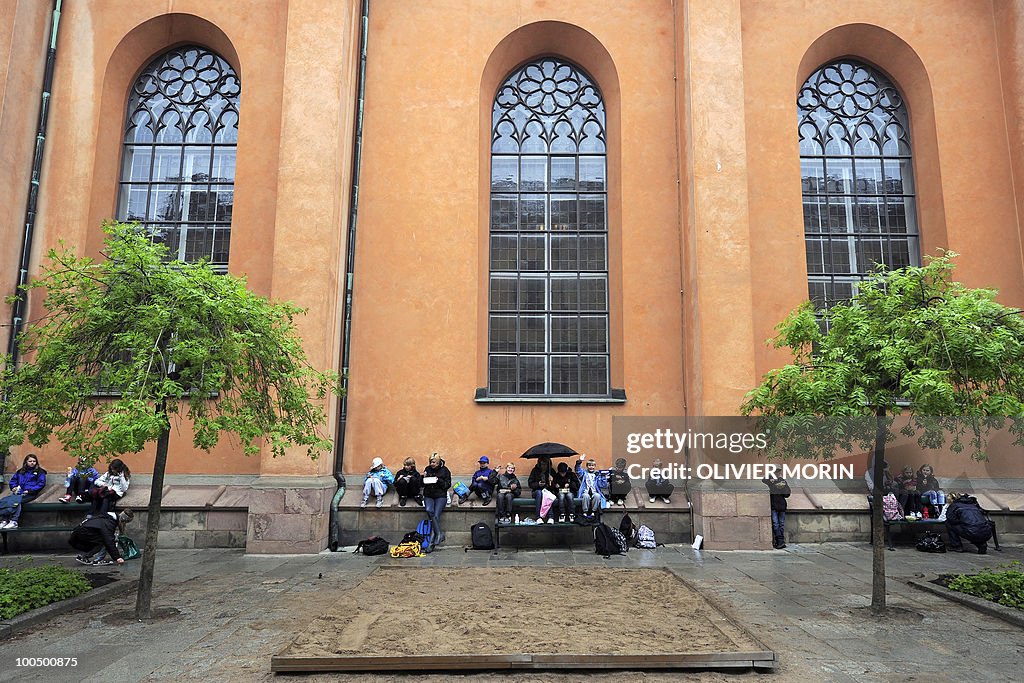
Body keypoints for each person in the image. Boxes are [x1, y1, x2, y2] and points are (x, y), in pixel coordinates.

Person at [0, 454, 47, 530]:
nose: (32, 463)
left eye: (34, 461)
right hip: (18, 492)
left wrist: (30, 490)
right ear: (26, 462)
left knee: (17, 501)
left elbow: (41, 483)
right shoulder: (21, 471)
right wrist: (13, 487)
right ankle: (4, 520)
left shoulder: (40, 472)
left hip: (30, 493)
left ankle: (14, 521)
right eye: (30, 461)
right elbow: (13, 481)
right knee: (7, 500)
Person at [421, 453, 451, 546]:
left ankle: (431, 543)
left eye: (433, 462)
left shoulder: (445, 470)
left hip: (440, 495)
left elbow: (447, 485)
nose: (432, 464)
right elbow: (421, 484)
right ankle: (439, 534)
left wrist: (438, 480)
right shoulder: (427, 469)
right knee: (429, 510)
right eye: (430, 462)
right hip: (429, 494)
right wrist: (423, 477)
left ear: (438, 462)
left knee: (436, 516)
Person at [763, 473, 791, 549]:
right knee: (776, 524)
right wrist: (770, 480)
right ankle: (780, 541)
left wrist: (783, 486)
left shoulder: (782, 481)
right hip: (774, 506)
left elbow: (787, 494)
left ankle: (780, 542)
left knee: (780, 524)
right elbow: (763, 481)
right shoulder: (769, 481)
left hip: (781, 506)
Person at [575, 455, 607, 521]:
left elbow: (602, 485)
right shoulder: (584, 473)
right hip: (585, 491)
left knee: (597, 496)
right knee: (586, 496)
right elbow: (578, 471)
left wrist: (603, 477)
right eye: (589, 465)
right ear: (587, 466)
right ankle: (585, 512)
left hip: (594, 491)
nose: (591, 467)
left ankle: (593, 511)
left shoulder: (597, 475)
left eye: (592, 465)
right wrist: (579, 462)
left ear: (595, 466)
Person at [528, 456, 557, 523]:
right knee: (539, 493)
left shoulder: (551, 471)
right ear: (539, 464)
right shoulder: (535, 470)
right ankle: (538, 517)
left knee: (548, 495)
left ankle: (550, 517)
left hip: (548, 491)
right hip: (537, 491)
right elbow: (530, 484)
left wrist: (552, 481)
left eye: (545, 464)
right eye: (542, 464)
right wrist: (538, 484)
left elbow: (555, 486)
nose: (544, 466)